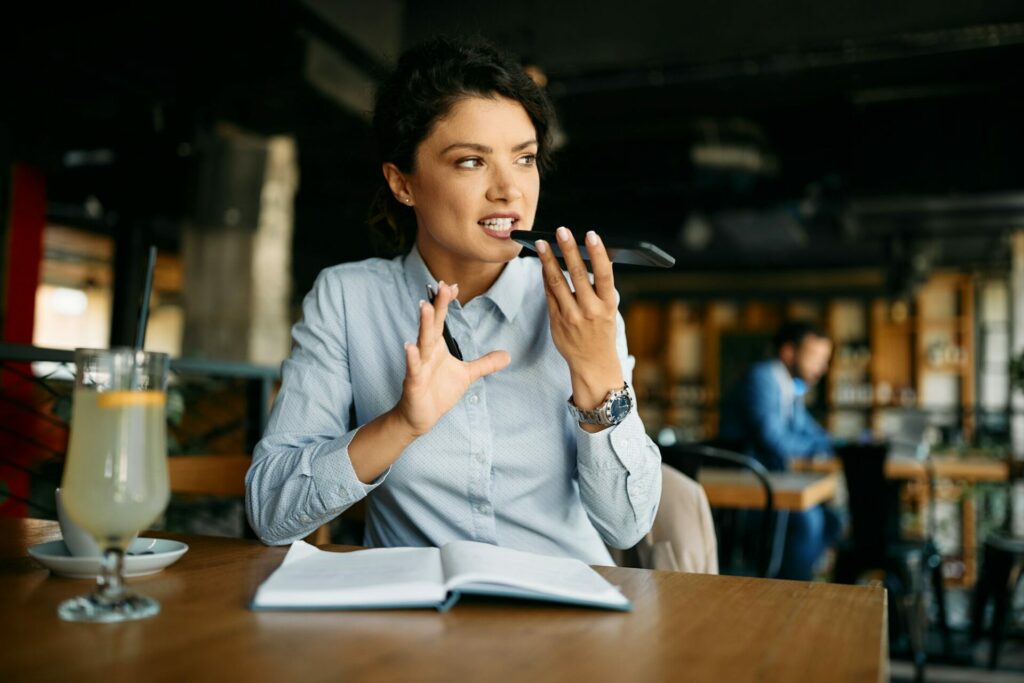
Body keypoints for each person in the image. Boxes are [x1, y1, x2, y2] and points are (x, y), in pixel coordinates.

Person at [245, 36, 662, 565]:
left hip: (563, 616)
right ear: (402, 183)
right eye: (471, 162)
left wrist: (598, 371)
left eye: (525, 159)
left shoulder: (587, 308)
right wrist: (401, 423)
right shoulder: (348, 298)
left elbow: (626, 527)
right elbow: (270, 511)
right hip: (414, 625)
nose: (509, 190)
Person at [718, 320, 839, 580]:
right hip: (741, 489)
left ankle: (794, 585)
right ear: (788, 352)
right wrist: (821, 448)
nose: (822, 366)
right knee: (811, 521)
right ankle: (791, 598)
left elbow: (809, 430)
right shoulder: (764, 377)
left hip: (769, 481)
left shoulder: (790, 385)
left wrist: (837, 446)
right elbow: (774, 440)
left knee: (832, 520)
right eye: (815, 356)